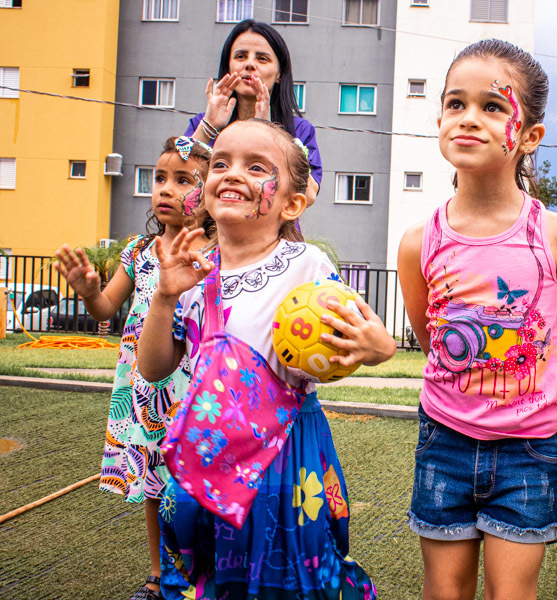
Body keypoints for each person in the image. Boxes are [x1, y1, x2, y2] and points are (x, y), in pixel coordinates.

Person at [138, 118, 396, 599]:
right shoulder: (192, 269)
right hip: (208, 448)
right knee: (210, 567)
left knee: (289, 567)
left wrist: (378, 349)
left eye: (256, 166)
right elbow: (154, 368)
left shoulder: (306, 266)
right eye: (221, 163)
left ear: (292, 203)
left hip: (287, 453)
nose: (232, 173)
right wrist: (164, 298)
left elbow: (365, 337)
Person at [397, 39, 557, 600]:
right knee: (445, 591)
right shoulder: (419, 242)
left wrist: (545, 402)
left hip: (528, 449)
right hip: (444, 439)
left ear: (528, 135)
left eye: (493, 106)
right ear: (438, 121)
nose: (469, 119)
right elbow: (429, 334)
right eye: (456, 104)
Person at [55, 136, 211, 600]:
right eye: (160, 177)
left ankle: (202, 574)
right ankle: (159, 575)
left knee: (192, 483)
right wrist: (87, 289)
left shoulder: (217, 251)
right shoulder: (138, 250)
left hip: (192, 386)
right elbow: (105, 309)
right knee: (151, 482)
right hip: (141, 385)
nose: (165, 188)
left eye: (183, 180)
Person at [185, 19, 322, 206]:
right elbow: (179, 181)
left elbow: (309, 195)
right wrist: (208, 126)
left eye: (262, 59)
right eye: (240, 56)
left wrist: (267, 133)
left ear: (279, 74)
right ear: (228, 67)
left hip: (273, 234)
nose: (249, 65)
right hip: (211, 232)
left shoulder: (300, 130)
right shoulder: (201, 123)